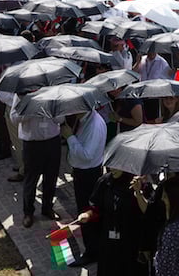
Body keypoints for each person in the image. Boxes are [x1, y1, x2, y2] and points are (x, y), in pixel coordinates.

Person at [77, 170, 155, 276]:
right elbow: (96, 207)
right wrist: (87, 215)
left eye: (116, 165)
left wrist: (138, 192)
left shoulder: (139, 183)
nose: (112, 168)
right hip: (109, 244)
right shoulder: (105, 182)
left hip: (131, 245)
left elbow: (150, 214)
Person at [61, 111, 107, 266]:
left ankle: (92, 252)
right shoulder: (83, 120)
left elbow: (87, 155)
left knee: (87, 211)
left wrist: (69, 137)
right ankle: (93, 247)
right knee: (86, 209)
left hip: (89, 175)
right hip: (83, 172)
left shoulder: (93, 124)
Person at [10, 95, 62, 228]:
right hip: (32, 144)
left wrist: (51, 111)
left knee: (51, 177)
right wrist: (31, 111)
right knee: (31, 179)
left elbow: (61, 118)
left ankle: (47, 208)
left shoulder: (53, 93)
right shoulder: (21, 95)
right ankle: (28, 212)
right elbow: (14, 118)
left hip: (52, 141)